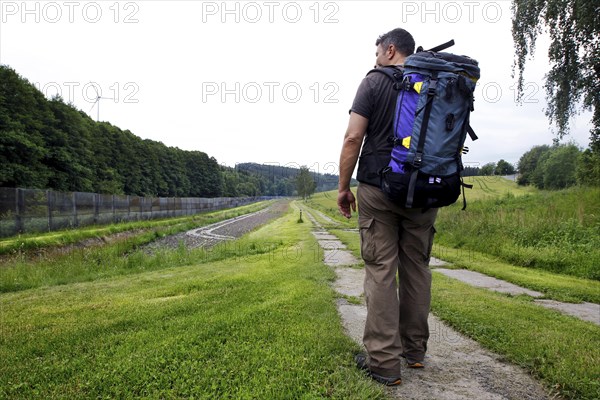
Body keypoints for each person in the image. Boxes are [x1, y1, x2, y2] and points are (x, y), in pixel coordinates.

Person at [337, 28, 438, 386]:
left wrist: (343, 187)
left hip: (380, 190)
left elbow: (353, 137)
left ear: (390, 49)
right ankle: (414, 352)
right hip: (426, 192)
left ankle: (383, 362)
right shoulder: (435, 81)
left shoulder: (374, 82)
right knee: (417, 269)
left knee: (381, 270)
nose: (375, 57)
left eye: (377, 50)